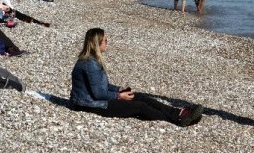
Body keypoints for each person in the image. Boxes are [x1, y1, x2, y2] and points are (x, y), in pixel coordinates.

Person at [70, 28, 204, 127]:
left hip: (94, 100)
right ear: (96, 43)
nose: (107, 42)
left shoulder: (92, 61)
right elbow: (98, 93)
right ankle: (176, 120)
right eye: (105, 40)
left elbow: (102, 86)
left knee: (138, 96)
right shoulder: (89, 64)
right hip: (89, 105)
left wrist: (119, 89)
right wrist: (119, 96)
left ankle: (177, 113)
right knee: (140, 107)